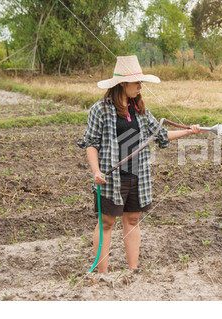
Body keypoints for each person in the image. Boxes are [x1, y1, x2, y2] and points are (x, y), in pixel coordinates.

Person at [77, 55, 201, 273]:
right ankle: (102, 274)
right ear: (122, 84)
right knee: (106, 223)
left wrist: (189, 131)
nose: (140, 86)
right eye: (136, 82)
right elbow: (91, 144)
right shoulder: (101, 109)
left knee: (132, 220)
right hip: (111, 177)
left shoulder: (139, 109)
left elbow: (160, 134)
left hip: (136, 175)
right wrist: (96, 171)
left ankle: (133, 271)